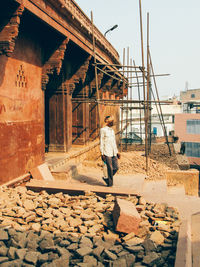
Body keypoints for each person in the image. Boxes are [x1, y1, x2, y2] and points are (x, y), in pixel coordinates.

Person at [100, 115, 120, 187]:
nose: (113, 122)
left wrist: (117, 152)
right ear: (107, 122)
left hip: (113, 152)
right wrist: (102, 153)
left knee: (116, 167)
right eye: (111, 121)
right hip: (106, 151)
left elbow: (113, 142)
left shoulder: (112, 131)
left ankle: (107, 179)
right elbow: (102, 142)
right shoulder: (103, 130)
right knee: (110, 168)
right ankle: (110, 184)